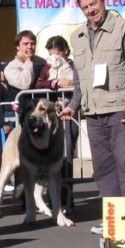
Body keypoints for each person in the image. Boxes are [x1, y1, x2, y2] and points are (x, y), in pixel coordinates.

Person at [60, 0, 125, 235]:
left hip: (120, 109)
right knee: (104, 170)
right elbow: (80, 77)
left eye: (93, 4)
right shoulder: (77, 36)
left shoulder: (124, 28)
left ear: (103, 1)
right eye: (85, 7)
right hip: (93, 113)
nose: (90, 10)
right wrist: (73, 106)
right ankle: (114, 221)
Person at [35, 35, 78, 210]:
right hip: (52, 119)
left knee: (67, 156)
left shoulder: (74, 66)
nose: (54, 59)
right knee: (53, 157)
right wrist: (55, 83)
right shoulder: (47, 66)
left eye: (57, 54)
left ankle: (67, 197)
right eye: (50, 55)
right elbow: (38, 85)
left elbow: (81, 84)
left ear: (66, 51)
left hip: (70, 115)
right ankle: (54, 199)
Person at [2, 30, 46, 193]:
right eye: (25, 44)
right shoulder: (10, 68)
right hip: (18, 118)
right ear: (17, 47)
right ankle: (22, 195)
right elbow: (24, 84)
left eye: (32, 43)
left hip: (40, 119)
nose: (30, 47)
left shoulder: (42, 63)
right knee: (19, 158)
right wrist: (28, 63)